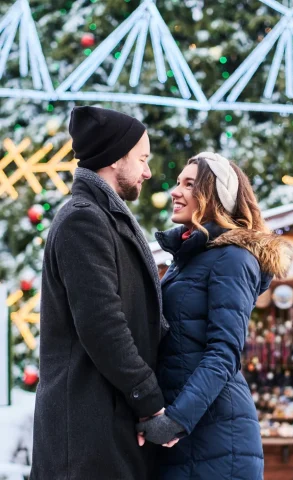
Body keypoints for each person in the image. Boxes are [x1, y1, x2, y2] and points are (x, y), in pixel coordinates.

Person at [30, 106, 169, 480]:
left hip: (104, 426)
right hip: (85, 436)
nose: (147, 171)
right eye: (142, 159)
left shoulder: (102, 216)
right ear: (114, 158)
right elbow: (101, 323)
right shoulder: (83, 219)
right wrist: (148, 399)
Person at [138, 152, 291, 479]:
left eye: (189, 184)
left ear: (215, 197)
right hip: (188, 432)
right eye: (178, 183)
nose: (175, 192)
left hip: (218, 438)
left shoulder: (232, 258)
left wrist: (177, 420)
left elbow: (224, 353)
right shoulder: (189, 259)